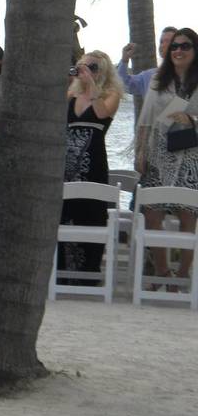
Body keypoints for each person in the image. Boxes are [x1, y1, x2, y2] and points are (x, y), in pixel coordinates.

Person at [137, 28, 198, 282]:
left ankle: (182, 275)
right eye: (174, 46)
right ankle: (163, 272)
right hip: (159, 152)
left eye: (185, 46)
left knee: (187, 215)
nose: (178, 51)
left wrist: (191, 118)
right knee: (152, 213)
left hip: (191, 155)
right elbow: (146, 119)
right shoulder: (158, 81)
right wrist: (140, 152)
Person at [57, 50, 122, 275]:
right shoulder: (70, 96)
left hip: (93, 162)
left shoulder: (110, 94)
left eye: (92, 67)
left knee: (91, 212)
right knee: (66, 212)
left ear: (103, 71)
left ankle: (88, 273)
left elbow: (103, 113)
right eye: (82, 66)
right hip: (67, 162)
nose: (85, 71)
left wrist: (92, 86)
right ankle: (64, 271)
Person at [117, 26, 177, 98]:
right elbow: (123, 84)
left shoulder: (187, 76)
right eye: (161, 42)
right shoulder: (148, 76)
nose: (162, 45)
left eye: (168, 41)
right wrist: (124, 59)